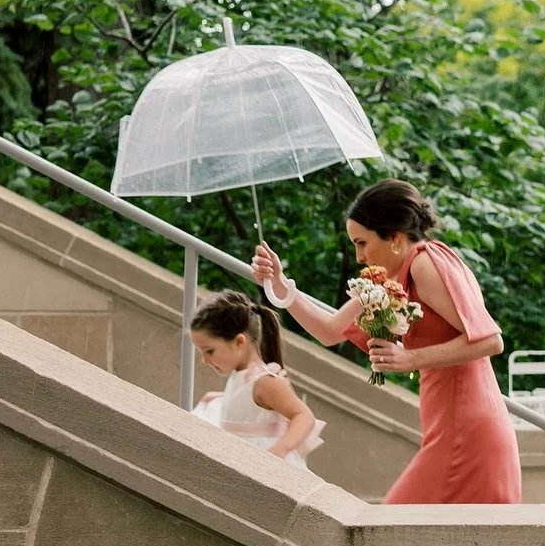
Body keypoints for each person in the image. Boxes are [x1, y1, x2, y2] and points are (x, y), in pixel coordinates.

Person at [251, 179, 521, 504]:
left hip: (467, 426)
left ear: (394, 236)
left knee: (388, 530)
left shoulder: (425, 263)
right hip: (446, 424)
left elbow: (490, 341)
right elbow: (330, 330)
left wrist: (410, 359)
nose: (359, 256)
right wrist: (278, 284)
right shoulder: (390, 277)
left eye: (362, 243)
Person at [189, 290, 323, 466]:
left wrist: (280, 449)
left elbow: (304, 416)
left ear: (239, 342)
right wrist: (219, 399)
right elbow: (247, 406)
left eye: (209, 351)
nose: (205, 360)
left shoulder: (265, 382)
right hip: (237, 451)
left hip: (260, 459)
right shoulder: (241, 373)